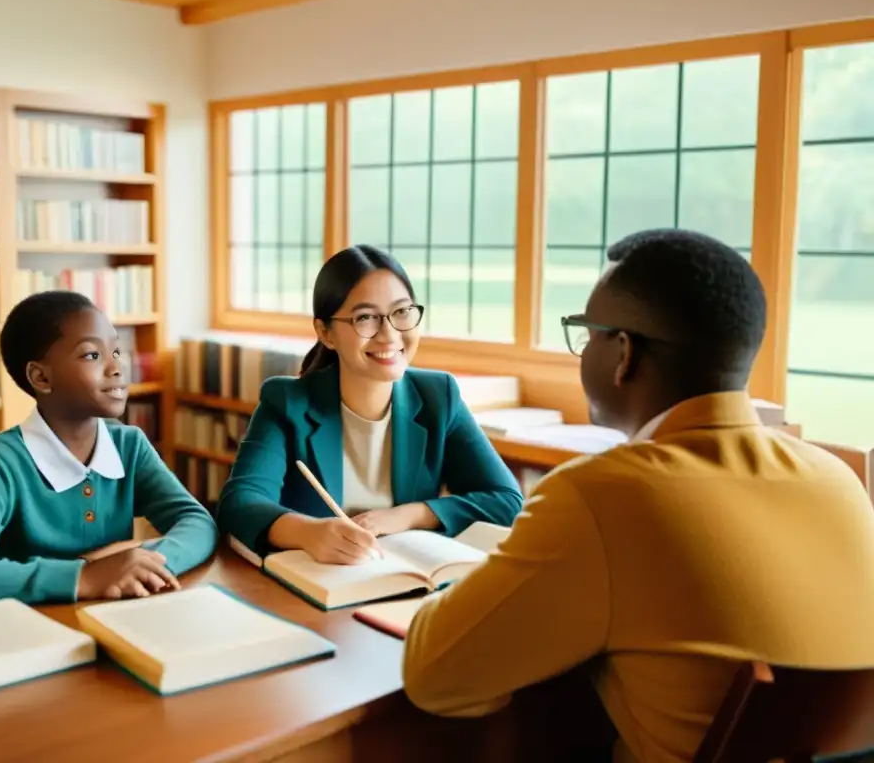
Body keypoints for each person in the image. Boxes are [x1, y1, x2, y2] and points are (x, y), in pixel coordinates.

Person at [402, 229, 874, 762]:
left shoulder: (603, 496)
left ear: (623, 353)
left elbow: (434, 675)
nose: (583, 351)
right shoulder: (838, 481)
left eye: (587, 334)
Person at [216, 245, 523, 564]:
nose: (389, 334)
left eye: (401, 312)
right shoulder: (287, 402)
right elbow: (238, 503)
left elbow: (507, 502)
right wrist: (308, 533)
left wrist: (410, 515)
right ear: (326, 333)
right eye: (365, 318)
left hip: (403, 578)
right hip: (316, 581)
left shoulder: (438, 396)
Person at [0, 291, 218, 612]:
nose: (117, 367)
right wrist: (86, 577)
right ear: (41, 377)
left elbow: (198, 522)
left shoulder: (129, 446)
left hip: (110, 619)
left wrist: (145, 564)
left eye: (116, 351)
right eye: (92, 355)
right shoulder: (0, 463)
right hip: (31, 629)